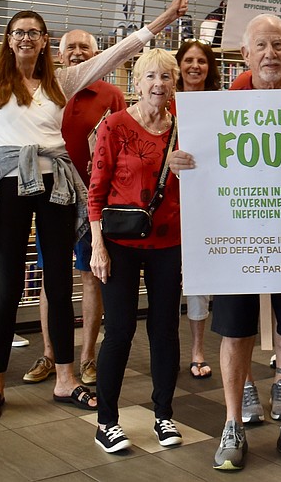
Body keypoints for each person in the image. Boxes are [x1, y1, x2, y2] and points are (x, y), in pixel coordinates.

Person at [0, 0, 187, 420]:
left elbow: (117, 53)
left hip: (56, 183)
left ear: (44, 43)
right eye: (18, 31)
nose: (25, 38)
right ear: (8, 40)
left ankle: (66, 378)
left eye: (34, 33)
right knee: (8, 289)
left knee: (60, 283)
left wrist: (165, 19)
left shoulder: (63, 80)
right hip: (8, 183)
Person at [170, 13, 281, 471]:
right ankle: (233, 423)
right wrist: (181, 163)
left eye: (278, 46)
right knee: (235, 331)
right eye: (261, 47)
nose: (270, 54)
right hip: (237, 240)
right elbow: (203, 168)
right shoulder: (222, 106)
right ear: (245, 55)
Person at [87, 48, 184, 452]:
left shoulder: (184, 129)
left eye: (165, 77)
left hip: (169, 242)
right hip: (119, 243)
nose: (157, 85)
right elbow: (96, 189)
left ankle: (164, 414)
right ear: (137, 82)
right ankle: (106, 420)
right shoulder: (114, 125)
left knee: (164, 330)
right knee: (120, 331)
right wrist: (97, 246)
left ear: (174, 84)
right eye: (150, 77)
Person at [23, 29, 126, 387]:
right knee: (52, 278)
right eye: (71, 48)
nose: (78, 53)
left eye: (86, 47)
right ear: (59, 54)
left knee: (90, 277)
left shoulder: (112, 95)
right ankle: (51, 354)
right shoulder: (45, 91)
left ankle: (86, 357)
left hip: (94, 202)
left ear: (97, 55)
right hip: (49, 197)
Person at [174, 39, 221, 382]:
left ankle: (197, 350)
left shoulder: (221, 105)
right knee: (168, 280)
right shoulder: (165, 105)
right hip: (169, 204)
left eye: (201, 61)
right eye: (188, 60)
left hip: (208, 202)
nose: (194, 66)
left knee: (199, 282)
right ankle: (167, 348)